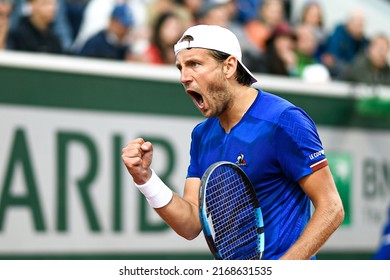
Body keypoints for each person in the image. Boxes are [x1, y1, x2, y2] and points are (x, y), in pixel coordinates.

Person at [121, 24, 344, 260]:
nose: (184, 77)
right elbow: (190, 224)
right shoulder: (201, 135)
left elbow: (331, 208)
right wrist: (145, 178)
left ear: (229, 66)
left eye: (195, 64)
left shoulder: (284, 121)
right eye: (180, 67)